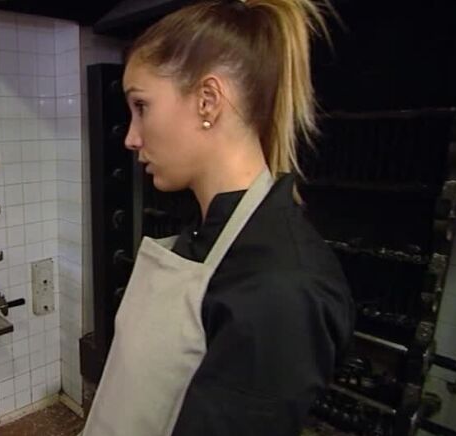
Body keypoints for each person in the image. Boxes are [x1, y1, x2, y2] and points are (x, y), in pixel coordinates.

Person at [81, 0, 355, 435]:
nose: (131, 137)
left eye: (142, 106)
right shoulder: (206, 234)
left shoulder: (282, 286)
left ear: (207, 101)